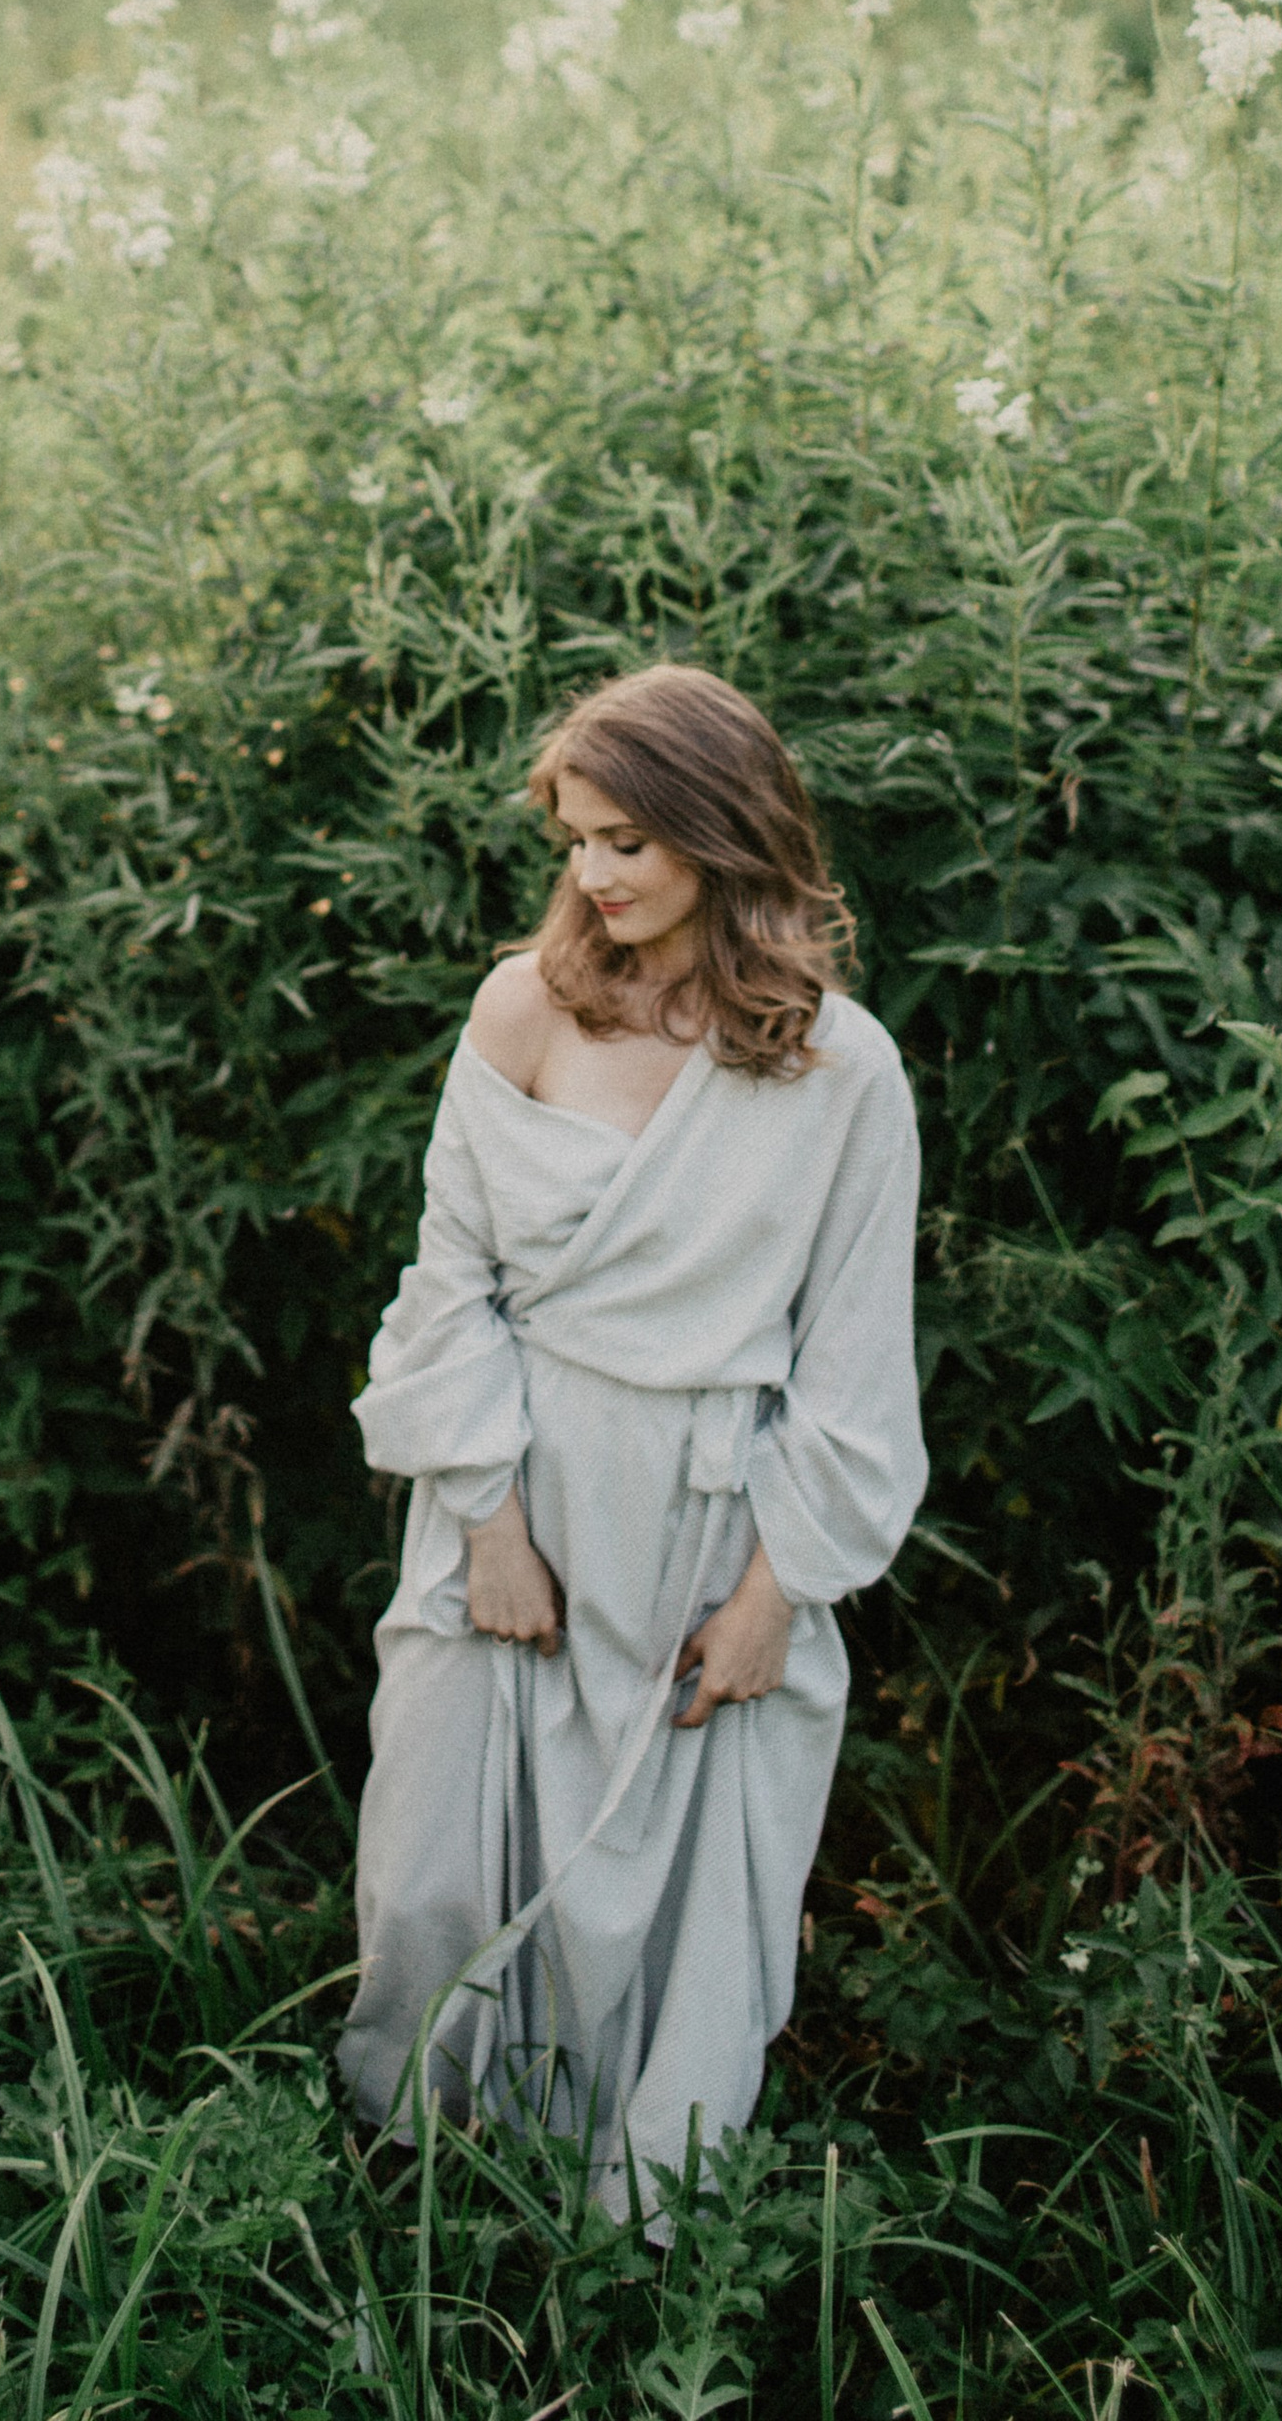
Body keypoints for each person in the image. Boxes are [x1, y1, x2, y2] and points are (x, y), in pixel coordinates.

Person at [336, 662, 926, 2208]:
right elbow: (446, 1278)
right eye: (576, 842)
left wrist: (771, 1603)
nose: (592, 879)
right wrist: (487, 1526)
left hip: (707, 1522)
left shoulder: (841, 1070)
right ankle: (421, 2192)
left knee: (667, 1909)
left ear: (722, 838)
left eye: (627, 845)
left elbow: (855, 1368)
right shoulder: (524, 1008)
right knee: (436, 1872)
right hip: (510, 1494)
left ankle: (631, 2233)